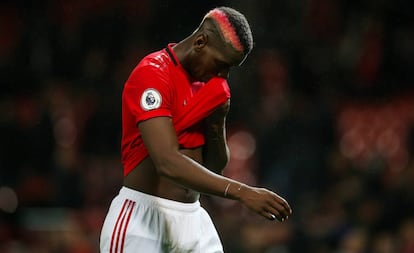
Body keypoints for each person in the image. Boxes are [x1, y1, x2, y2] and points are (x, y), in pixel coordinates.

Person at [100, 6, 292, 253]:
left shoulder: (211, 86)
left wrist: (216, 122)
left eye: (230, 68)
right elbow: (166, 162)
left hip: (193, 220)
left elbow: (213, 168)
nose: (223, 74)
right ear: (201, 42)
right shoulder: (153, 74)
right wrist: (242, 192)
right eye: (221, 64)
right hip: (142, 220)